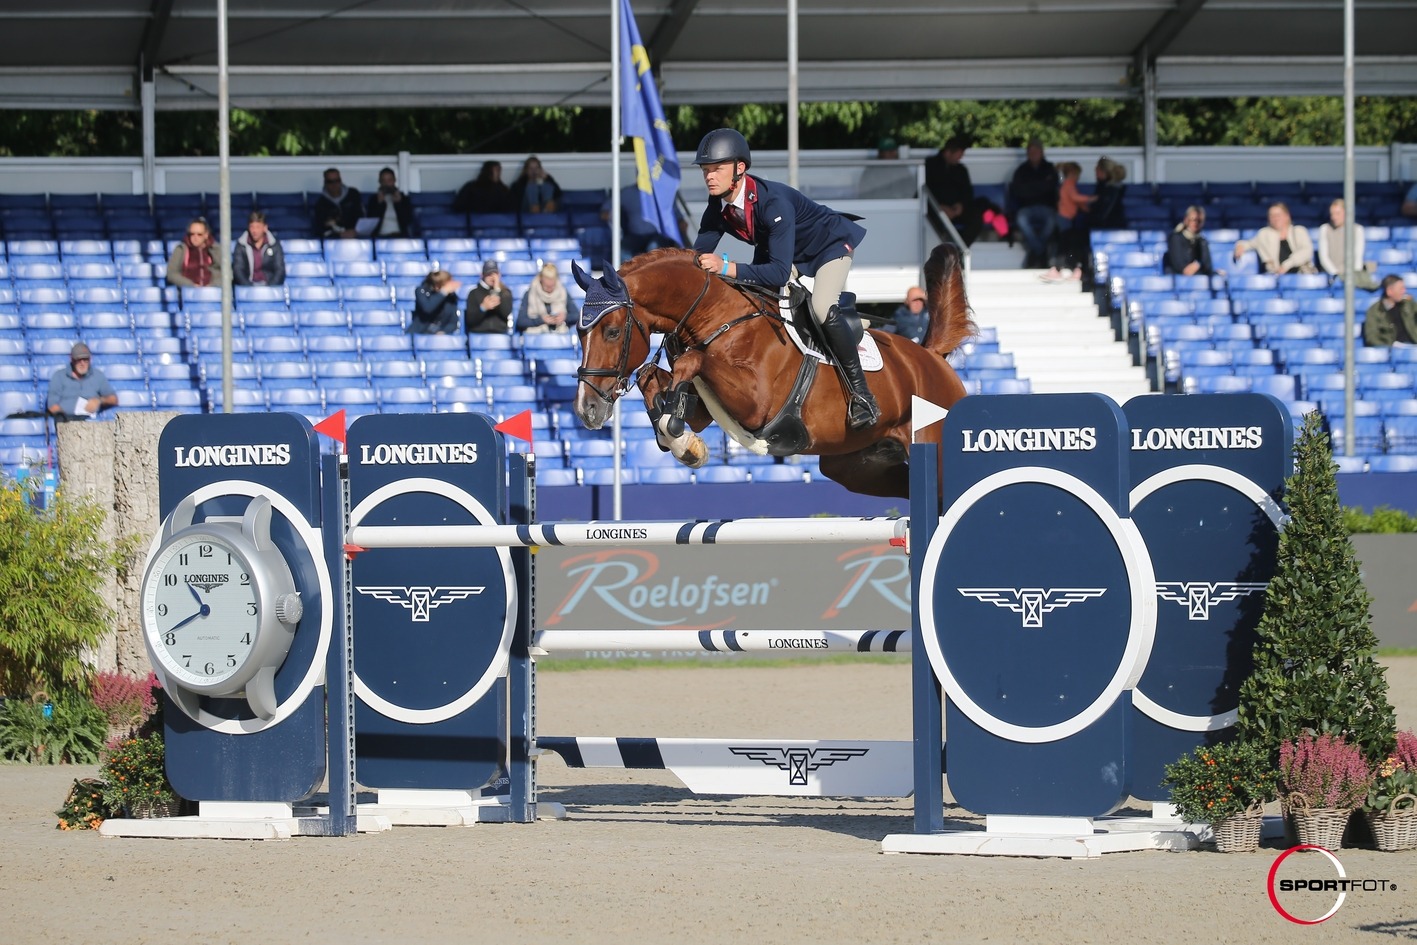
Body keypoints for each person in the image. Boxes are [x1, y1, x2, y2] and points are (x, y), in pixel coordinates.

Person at [690, 128, 877, 429]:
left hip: (828, 246)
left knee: (819, 308)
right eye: (705, 170)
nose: (709, 176)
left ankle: (862, 394)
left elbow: (777, 272)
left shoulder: (772, 203)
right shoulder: (717, 207)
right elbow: (696, 257)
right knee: (750, 300)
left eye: (717, 169)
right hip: (782, 253)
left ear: (740, 169)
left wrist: (726, 267)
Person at [923, 135, 1006, 246]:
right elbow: (925, 190)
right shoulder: (930, 166)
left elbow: (967, 192)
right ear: (948, 152)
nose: (960, 158)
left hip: (956, 210)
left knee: (976, 218)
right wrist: (940, 207)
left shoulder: (961, 170)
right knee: (930, 221)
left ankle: (960, 250)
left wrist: (960, 206)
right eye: (959, 155)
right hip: (936, 209)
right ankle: (937, 252)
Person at [1008, 138, 1059, 269]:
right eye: (1030, 151)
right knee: (1021, 219)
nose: (1033, 154)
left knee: (1052, 220)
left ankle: (1034, 252)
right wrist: (1041, 186)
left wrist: (1031, 188)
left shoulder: (1049, 168)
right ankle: (1041, 252)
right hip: (1027, 208)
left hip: (1047, 208)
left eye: (1036, 151)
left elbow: (1053, 188)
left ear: (1041, 152)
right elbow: (1018, 191)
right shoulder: (1021, 170)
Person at [1041, 162, 1095, 282]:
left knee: (1066, 243)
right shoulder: (1068, 184)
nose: (1078, 178)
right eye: (1077, 175)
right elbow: (1075, 197)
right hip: (1064, 218)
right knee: (1064, 243)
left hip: (1068, 218)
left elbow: (1076, 202)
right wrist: (1090, 199)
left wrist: (1085, 208)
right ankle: (1059, 268)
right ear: (1072, 174)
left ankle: (1061, 268)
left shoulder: (1069, 185)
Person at [1233, 202, 1315, 276]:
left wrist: (1286, 265)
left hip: (1301, 275)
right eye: (1272, 216)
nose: (1275, 218)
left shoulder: (1299, 231)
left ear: (1287, 216)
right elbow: (1249, 244)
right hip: (1275, 276)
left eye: (1278, 215)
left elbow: (1306, 251)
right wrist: (1240, 246)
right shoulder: (1264, 234)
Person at [46, 342, 116, 420]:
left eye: (85, 360)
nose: (82, 363)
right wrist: (65, 420)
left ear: (90, 359)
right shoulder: (59, 376)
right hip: (66, 422)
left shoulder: (98, 375)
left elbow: (113, 399)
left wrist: (99, 400)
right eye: (79, 360)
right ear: (72, 359)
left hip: (91, 423)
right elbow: (52, 406)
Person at [1316, 198, 1377, 288]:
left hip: (1352, 275)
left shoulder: (1358, 230)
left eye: (1337, 213)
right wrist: (1336, 274)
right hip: (1332, 275)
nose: (1334, 217)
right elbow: (1324, 258)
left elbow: (1358, 257)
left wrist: (1353, 276)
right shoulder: (1324, 229)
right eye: (1332, 214)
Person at [231, 210, 286, 286]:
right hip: (247, 287)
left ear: (265, 228)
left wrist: (269, 288)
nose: (254, 231)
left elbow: (280, 270)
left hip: (269, 286)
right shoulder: (241, 245)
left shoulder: (274, 245)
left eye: (258, 227)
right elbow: (238, 270)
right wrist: (248, 287)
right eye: (252, 227)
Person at [165, 217, 222, 287]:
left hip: (213, 292)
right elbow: (172, 274)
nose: (195, 237)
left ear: (206, 235)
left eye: (199, 234)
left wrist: (212, 286)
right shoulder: (181, 249)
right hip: (187, 292)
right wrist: (191, 285)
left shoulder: (216, 249)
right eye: (192, 234)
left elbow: (227, 274)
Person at [1363, 275, 1417, 348]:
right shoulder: (1375, 311)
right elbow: (1371, 337)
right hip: (1391, 351)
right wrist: (1388, 347)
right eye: (1401, 289)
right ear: (1389, 291)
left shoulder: (1409, 305)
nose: (1404, 291)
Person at [516, 263, 569, 333]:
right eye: (546, 286)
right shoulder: (530, 293)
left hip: (559, 333)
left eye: (552, 286)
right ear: (541, 279)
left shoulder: (562, 292)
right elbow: (521, 321)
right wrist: (541, 320)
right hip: (536, 335)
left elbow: (576, 316)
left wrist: (564, 317)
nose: (549, 289)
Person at [1164, 206, 1216, 277]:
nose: (1196, 223)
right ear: (1186, 220)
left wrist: (1198, 265)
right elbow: (1179, 266)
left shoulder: (1202, 241)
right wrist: (1197, 265)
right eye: (1194, 220)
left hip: (1199, 278)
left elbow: (1207, 265)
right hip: (1179, 279)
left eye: (1199, 221)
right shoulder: (1175, 238)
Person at [313, 167, 363, 239]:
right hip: (335, 238)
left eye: (337, 181)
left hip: (356, 235)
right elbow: (320, 228)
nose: (334, 184)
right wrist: (339, 234)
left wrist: (355, 230)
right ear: (325, 183)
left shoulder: (353, 194)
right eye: (330, 181)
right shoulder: (320, 204)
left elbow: (361, 216)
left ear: (341, 181)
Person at [465, 260, 513, 334]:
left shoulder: (505, 293)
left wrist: (497, 291)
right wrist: (483, 308)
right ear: (482, 275)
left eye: (495, 274)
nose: (492, 277)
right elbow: (470, 320)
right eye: (489, 274)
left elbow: (506, 313)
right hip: (479, 333)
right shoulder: (473, 293)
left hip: (500, 334)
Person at [365, 167, 414, 238]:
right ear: (380, 182)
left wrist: (398, 204)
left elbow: (407, 221)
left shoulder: (403, 199)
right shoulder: (374, 200)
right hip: (380, 237)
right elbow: (371, 223)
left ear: (394, 181)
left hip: (399, 236)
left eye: (389, 180)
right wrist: (380, 205)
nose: (386, 184)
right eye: (383, 181)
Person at [410, 270, 461, 334]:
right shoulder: (421, 291)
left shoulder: (451, 297)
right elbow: (428, 308)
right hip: (420, 332)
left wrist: (443, 332)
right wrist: (443, 292)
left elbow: (453, 322)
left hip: (439, 336)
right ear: (437, 286)